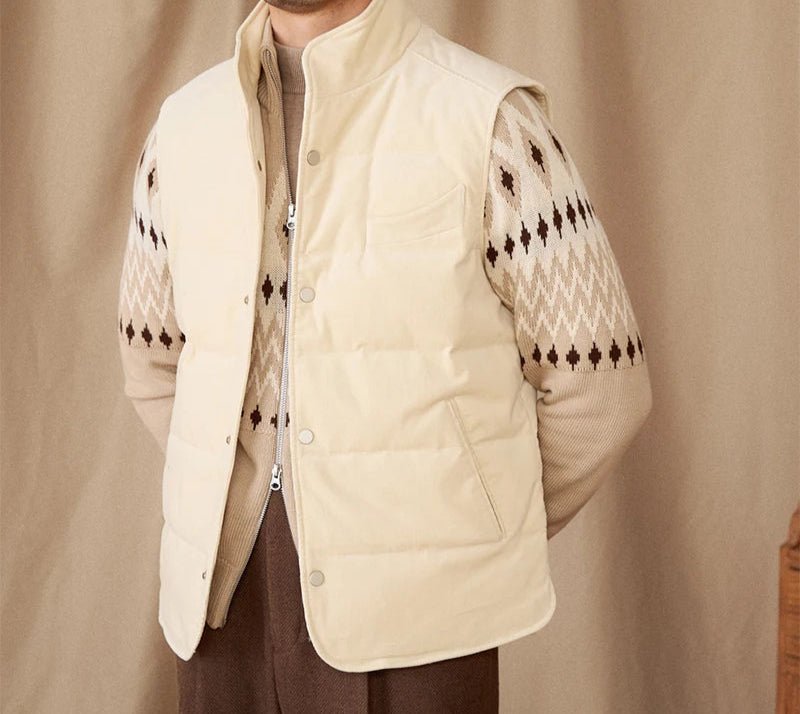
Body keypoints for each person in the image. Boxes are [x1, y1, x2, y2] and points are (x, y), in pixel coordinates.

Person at [116, 0, 653, 710]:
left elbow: (601, 386)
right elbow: (152, 359)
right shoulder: (183, 129)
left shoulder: (491, 121)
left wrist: (462, 529)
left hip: (424, 619)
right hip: (219, 603)